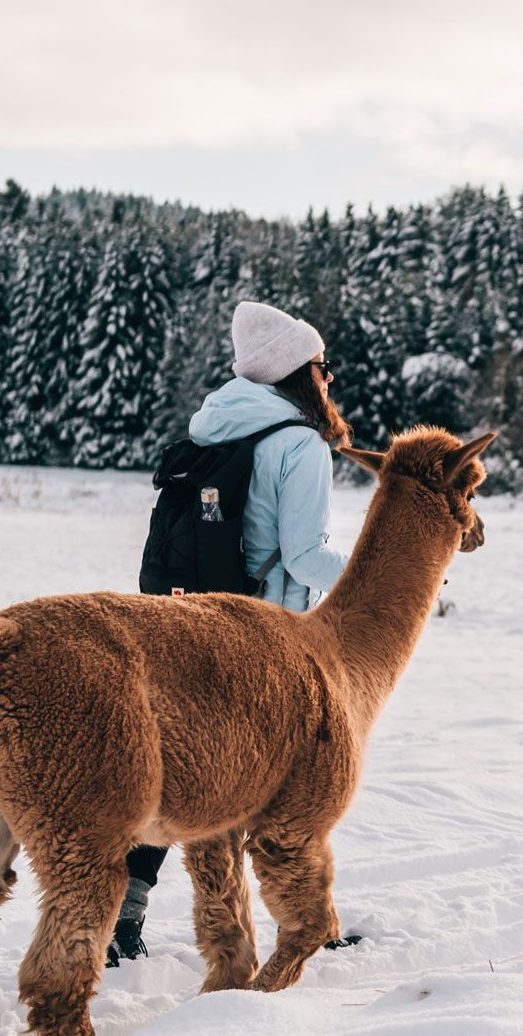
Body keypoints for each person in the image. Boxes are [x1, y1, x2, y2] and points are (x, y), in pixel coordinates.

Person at [109, 300, 353, 964]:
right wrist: (365, 571)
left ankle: (119, 918)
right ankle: (307, 924)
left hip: (188, 624)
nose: (330, 379)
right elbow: (303, 557)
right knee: (294, 785)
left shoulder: (218, 426)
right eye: (323, 366)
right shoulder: (299, 443)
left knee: (173, 774)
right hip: (263, 640)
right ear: (300, 373)